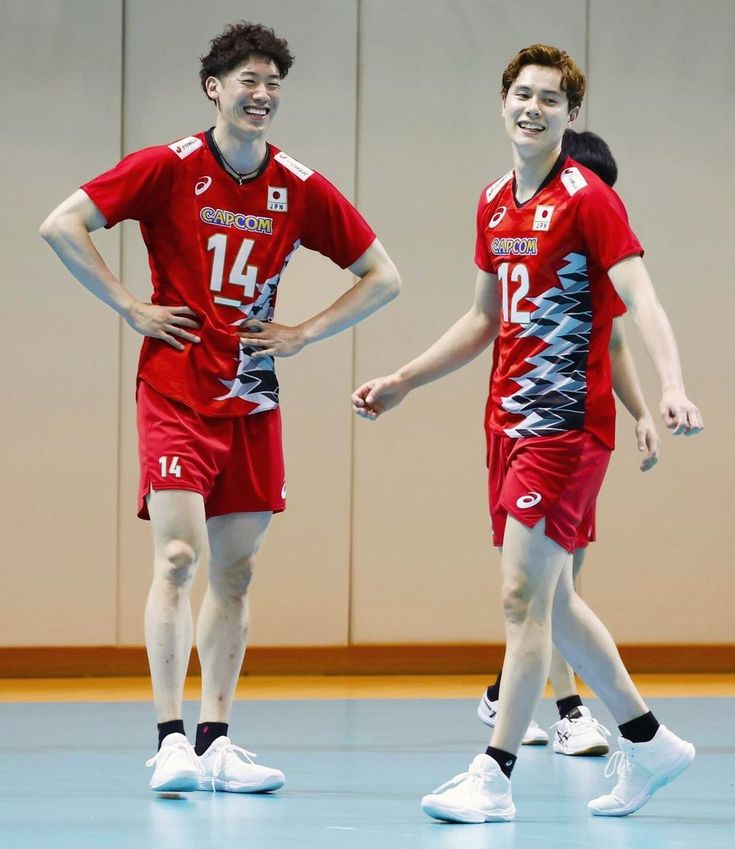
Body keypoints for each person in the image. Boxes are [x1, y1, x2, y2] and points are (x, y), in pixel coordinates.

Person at [41, 21, 400, 794]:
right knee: (177, 557)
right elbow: (61, 223)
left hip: (252, 394)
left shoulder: (297, 185)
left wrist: (303, 331)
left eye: (273, 83)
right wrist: (129, 305)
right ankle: (169, 739)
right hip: (174, 386)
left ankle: (215, 740)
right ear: (215, 88)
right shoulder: (168, 166)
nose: (261, 94)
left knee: (235, 575)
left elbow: (383, 275)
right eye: (248, 81)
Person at [352, 44, 702, 822]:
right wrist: (405, 377)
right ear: (502, 101)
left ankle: (494, 773)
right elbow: (483, 317)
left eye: (549, 99)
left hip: (567, 425)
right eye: (521, 93)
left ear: (568, 115)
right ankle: (649, 743)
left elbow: (639, 300)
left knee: (521, 597)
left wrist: (668, 386)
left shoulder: (588, 198)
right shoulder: (491, 201)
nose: (531, 107)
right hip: (505, 419)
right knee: (553, 600)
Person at [478, 129, 660, 757]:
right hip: (532, 424)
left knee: (558, 589)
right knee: (544, 593)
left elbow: (615, 340)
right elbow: (483, 318)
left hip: (579, 432)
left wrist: (643, 410)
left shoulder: (595, 251)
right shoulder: (513, 218)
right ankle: (567, 709)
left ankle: (513, 697)